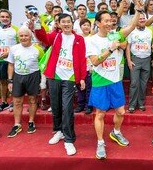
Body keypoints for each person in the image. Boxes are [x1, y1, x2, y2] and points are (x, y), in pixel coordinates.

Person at [87, 1, 141, 159]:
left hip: (115, 81)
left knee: (121, 111)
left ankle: (116, 132)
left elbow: (131, 26)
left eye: (111, 20)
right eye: (106, 20)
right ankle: (100, 142)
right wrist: (111, 48)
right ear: (98, 23)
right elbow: (95, 61)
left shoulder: (115, 35)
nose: (110, 23)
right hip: (100, 81)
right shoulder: (91, 40)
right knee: (100, 114)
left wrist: (137, 10)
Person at [33, 13, 87, 156]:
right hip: (54, 76)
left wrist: (81, 78)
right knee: (56, 106)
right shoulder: (55, 36)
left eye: (68, 21)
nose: (66, 24)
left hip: (69, 77)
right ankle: (58, 131)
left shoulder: (79, 39)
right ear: (59, 24)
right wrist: (37, 23)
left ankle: (69, 139)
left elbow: (82, 59)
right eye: (63, 22)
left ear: (72, 23)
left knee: (67, 107)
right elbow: (42, 38)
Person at [6, 27, 44, 138]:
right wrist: (10, 80)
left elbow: (43, 65)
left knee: (32, 100)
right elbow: (11, 65)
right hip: (18, 76)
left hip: (33, 76)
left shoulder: (38, 49)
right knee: (17, 101)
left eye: (26, 35)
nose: (23, 38)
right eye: (21, 36)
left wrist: (43, 81)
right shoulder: (14, 49)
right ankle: (17, 124)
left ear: (30, 36)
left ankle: (31, 121)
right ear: (18, 37)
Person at [0, 9, 19, 113]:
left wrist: (9, 52)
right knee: (2, 81)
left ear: (10, 18)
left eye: (7, 17)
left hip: (12, 59)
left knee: (14, 81)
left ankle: (13, 101)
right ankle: (4, 102)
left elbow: (20, 43)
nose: (5, 18)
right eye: (3, 17)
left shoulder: (16, 29)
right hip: (0, 60)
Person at [126, 13, 153, 113]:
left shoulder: (150, 31)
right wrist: (129, 60)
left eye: (143, 18)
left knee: (143, 84)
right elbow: (128, 46)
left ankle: (141, 103)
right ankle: (132, 104)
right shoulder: (131, 31)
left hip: (147, 59)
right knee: (134, 83)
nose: (142, 20)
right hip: (135, 59)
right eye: (140, 18)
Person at [74, 19, 93, 115]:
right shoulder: (77, 38)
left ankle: (88, 105)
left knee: (89, 87)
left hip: (89, 65)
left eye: (88, 25)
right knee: (79, 86)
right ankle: (80, 104)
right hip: (78, 66)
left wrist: (92, 65)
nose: (86, 26)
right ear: (80, 27)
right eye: (84, 25)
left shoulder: (93, 38)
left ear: (91, 27)